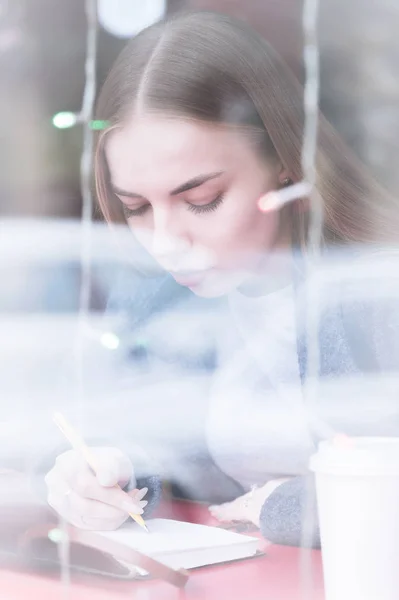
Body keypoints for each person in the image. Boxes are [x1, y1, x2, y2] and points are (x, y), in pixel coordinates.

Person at [42, 11, 399, 546]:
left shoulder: (375, 287)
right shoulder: (155, 299)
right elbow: (150, 435)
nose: (164, 243)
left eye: (200, 201)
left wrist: (289, 507)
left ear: (284, 158)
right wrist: (111, 469)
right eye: (136, 207)